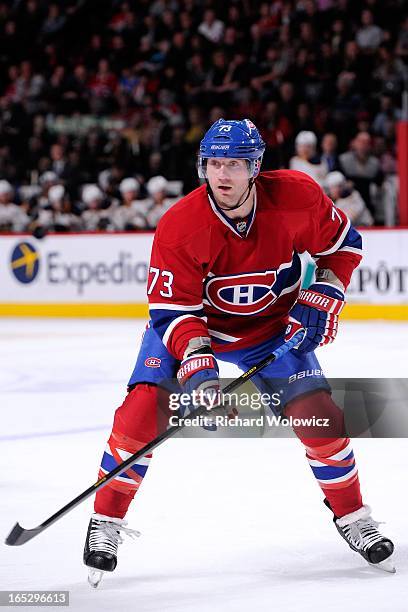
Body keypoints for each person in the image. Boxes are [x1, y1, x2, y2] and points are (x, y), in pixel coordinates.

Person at [83, 119, 394, 587]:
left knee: (321, 418)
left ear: (255, 167)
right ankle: (105, 521)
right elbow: (174, 315)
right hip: (194, 329)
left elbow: (342, 247)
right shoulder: (179, 226)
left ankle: (352, 516)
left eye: (233, 164)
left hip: (271, 330)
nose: (221, 174)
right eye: (213, 163)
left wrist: (327, 289)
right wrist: (200, 372)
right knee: (140, 415)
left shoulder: (296, 196)